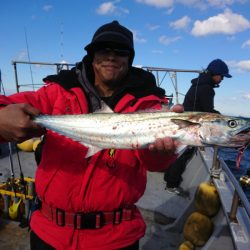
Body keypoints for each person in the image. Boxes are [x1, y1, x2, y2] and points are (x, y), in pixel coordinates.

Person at [0, 20, 183, 250]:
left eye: (121, 51)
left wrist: (162, 153)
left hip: (116, 238)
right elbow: (10, 104)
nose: (111, 56)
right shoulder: (58, 90)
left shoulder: (148, 105)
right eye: (103, 49)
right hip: (49, 231)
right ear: (92, 55)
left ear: (129, 58)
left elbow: (154, 162)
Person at [164, 59, 232, 194]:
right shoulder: (207, 89)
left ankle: (168, 177)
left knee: (179, 154)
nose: (222, 79)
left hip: (186, 122)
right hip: (193, 127)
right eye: (222, 76)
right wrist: (223, 119)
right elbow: (208, 111)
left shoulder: (197, 84)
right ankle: (171, 185)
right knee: (184, 155)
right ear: (216, 74)